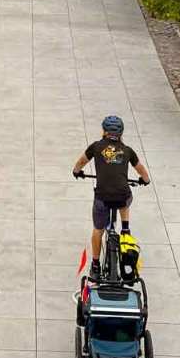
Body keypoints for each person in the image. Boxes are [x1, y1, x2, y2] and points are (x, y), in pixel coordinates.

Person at [72, 115, 150, 279]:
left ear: (104, 131)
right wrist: (145, 180)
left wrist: (77, 172)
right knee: (126, 196)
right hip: (121, 195)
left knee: (98, 229)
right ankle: (125, 227)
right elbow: (142, 170)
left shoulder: (95, 147)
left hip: (102, 197)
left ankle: (95, 265)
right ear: (121, 133)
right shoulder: (128, 150)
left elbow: (79, 163)